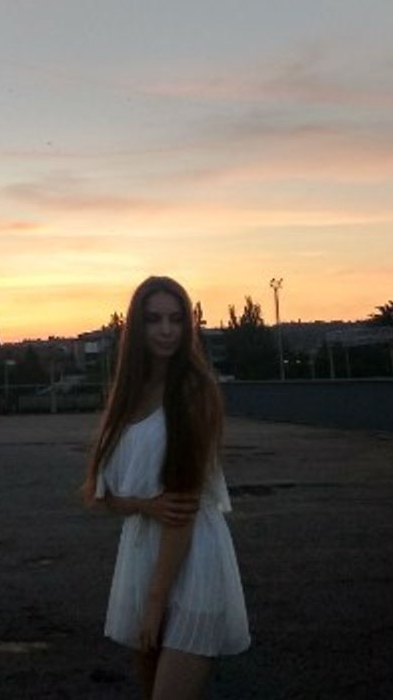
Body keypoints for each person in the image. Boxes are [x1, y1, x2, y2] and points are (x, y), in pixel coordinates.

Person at [84, 276, 250, 699]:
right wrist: (145, 505)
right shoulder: (128, 396)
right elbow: (105, 496)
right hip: (143, 556)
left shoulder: (194, 391)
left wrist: (155, 603)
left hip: (193, 560)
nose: (166, 330)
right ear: (136, 327)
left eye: (176, 320)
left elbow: (182, 507)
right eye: (154, 319)